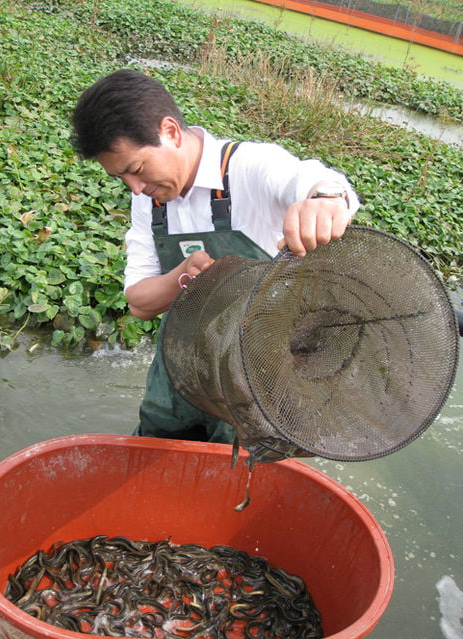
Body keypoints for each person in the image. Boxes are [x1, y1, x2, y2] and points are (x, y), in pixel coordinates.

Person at [72, 69, 360, 443]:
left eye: (137, 169)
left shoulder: (249, 166)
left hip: (257, 379)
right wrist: (185, 276)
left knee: (241, 480)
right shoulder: (149, 201)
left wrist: (325, 201)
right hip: (178, 378)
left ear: (171, 132)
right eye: (122, 179)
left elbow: (311, 179)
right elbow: (139, 301)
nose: (136, 189)